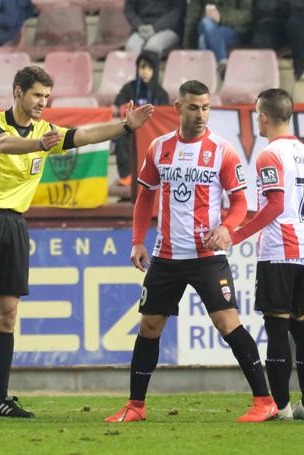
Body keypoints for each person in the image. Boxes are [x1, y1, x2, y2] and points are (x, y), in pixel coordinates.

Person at [0, 66, 153, 419]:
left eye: (47, 97)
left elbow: (85, 135)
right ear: (17, 91)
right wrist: (38, 145)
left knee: (8, 313)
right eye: (37, 95)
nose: (42, 103)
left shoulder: (46, 130)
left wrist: (125, 127)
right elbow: (2, 145)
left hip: (16, 223)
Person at [105, 80, 277, 424]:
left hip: (206, 257)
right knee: (149, 326)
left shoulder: (222, 150)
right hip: (166, 256)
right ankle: (136, 405)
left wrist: (227, 226)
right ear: (178, 107)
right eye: (194, 107)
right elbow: (145, 198)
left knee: (228, 323)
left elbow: (241, 200)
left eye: (206, 107)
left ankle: (264, 401)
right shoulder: (159, 147)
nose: (201, 114)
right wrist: (138, 241)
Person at [206, 88, 304, 420]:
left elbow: (275, 204)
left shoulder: (269, 155)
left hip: (280, 252)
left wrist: (237, 235)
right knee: (301, 325)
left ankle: (282, 406)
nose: (257, 117)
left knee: (277, 328)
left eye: (258, 113)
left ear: (264, 116)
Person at [112, 50, 170, 188]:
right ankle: (127, 176)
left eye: (149, 68)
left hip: (152, 134)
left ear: (155, 70)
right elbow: (118, 106)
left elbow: (163, 119)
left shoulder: (161, 93)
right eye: (142, 67)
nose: (145, 71)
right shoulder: (128, 88)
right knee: (120, 136)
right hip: (131, 131)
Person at [251, 1, 304, 81]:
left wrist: (292, 4)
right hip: (281, 18)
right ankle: (258, 82)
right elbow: (263, 6)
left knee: (296, 21)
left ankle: (300, 70)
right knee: (261, 33)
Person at [184, 1, 253, 77]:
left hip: (234, 29)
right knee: (206, 23)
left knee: (203, 39)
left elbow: (247, 14)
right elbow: (192, 17)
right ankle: (222, 62)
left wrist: (220, 17)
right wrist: (187, 47)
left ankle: (205, 79)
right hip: (206, 26)